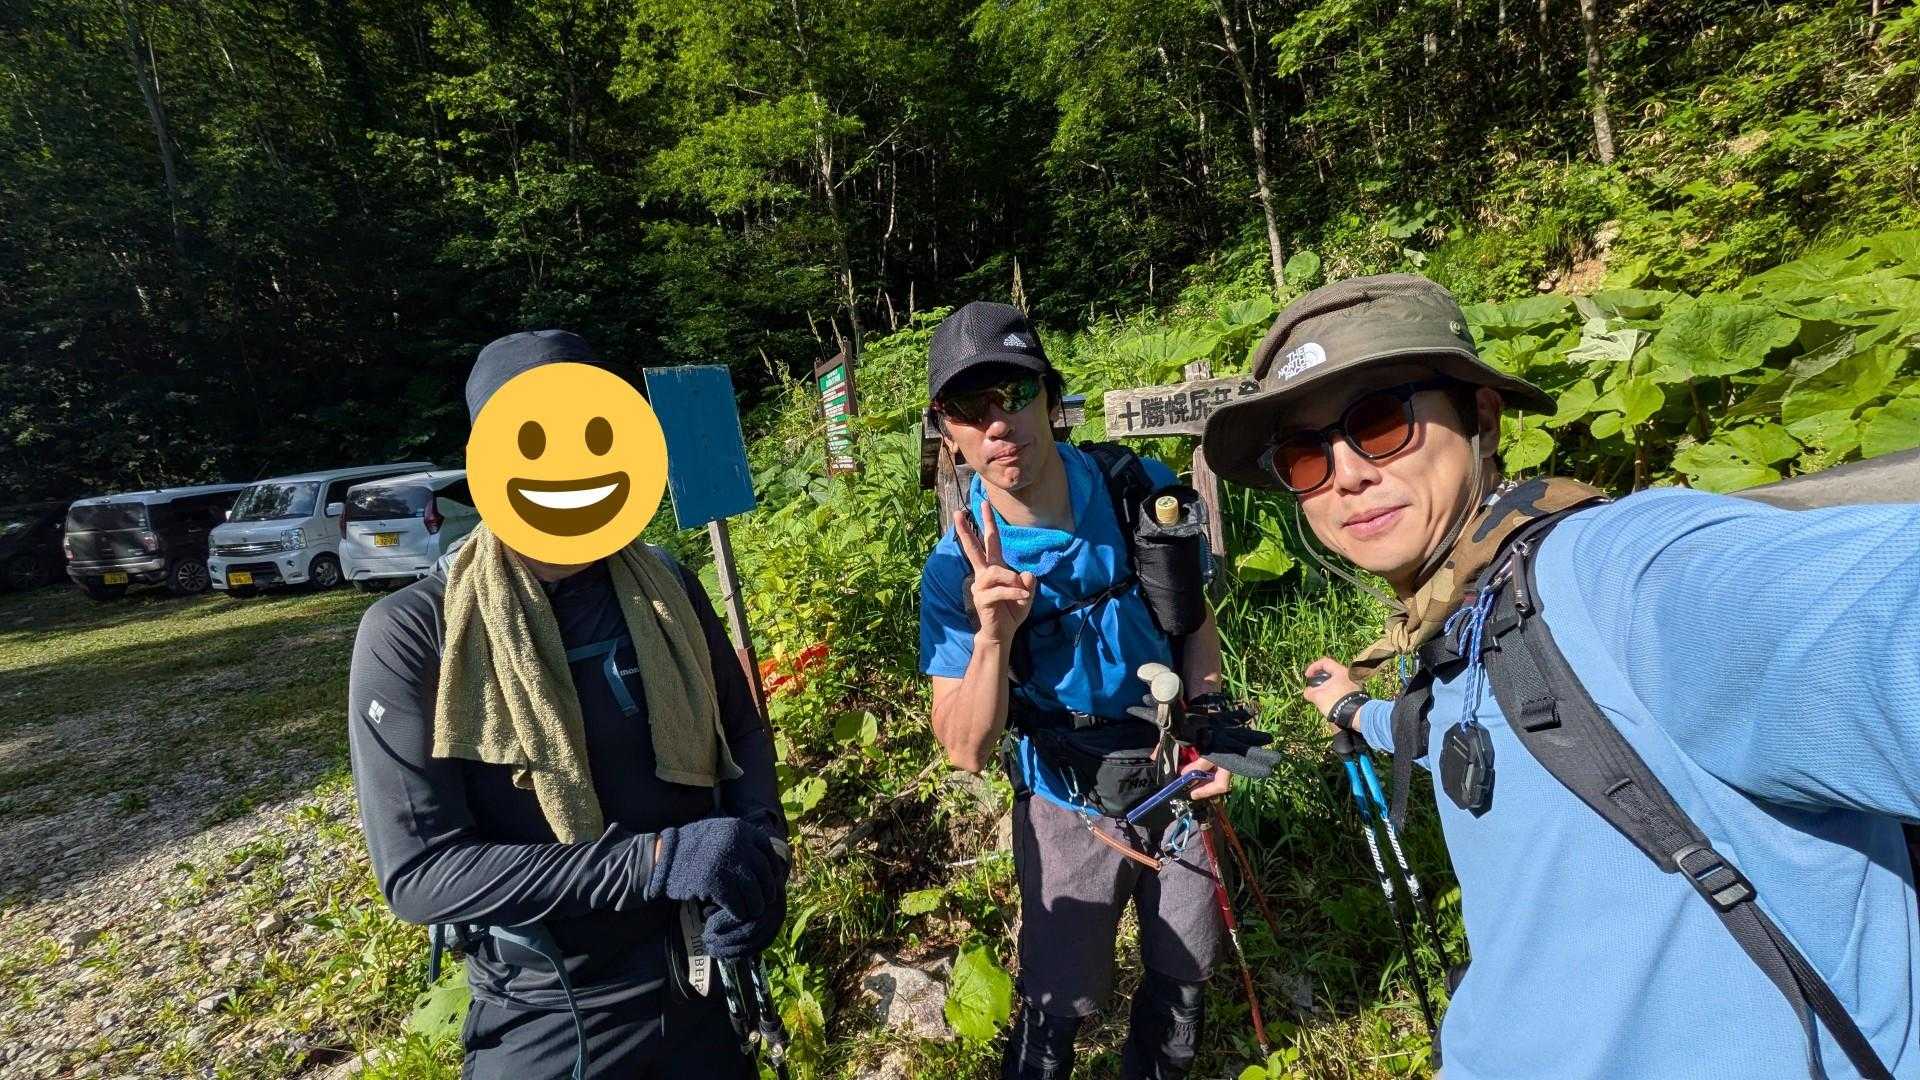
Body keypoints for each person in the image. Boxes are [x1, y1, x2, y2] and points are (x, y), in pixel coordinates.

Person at [1199, 274, 1920, 1079]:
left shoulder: (1620, 573)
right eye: (1304, 456)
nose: (1346, 475)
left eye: (1378, 422)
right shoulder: (1467, 617)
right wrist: (1349, 709)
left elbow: (1876, 617)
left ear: (1482, 418)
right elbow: (1439, 731)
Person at [346, 330, 786, 1079]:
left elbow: (741, 730)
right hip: (552, 1010)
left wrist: (762, 856)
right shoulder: (418, 632)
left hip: (700, 983)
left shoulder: (666, 590)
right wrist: (652, 862)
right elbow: (421, 874)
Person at [919, 301, 1266, 1080]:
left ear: (1051, 398)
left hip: (1173, 768)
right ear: (947, 431)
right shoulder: (952, 574)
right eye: (969, 408)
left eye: (1015, 393)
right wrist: (992, 637)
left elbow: (1193, 620)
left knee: (1186, 971)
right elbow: (965, 750)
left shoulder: (1135, 490)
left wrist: (1210, 723)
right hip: (1065, 795)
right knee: (1059, 996)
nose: (998, 423)